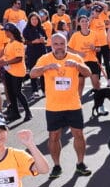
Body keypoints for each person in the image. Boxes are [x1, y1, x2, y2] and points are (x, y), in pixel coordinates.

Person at [30, 33, 93, 178]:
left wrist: (77, 65)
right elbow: (32, 74)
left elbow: (88, 73)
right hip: (54, 107)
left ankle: (80, 163)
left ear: (66, 44)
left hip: (73, 105)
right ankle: (57, 166)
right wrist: (46, 68)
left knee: (79, 134)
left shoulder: (74, 57)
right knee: (54, 136)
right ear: (51, 45)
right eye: (56, 44)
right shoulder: (45, 59)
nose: (59, 47)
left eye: (62, 44)